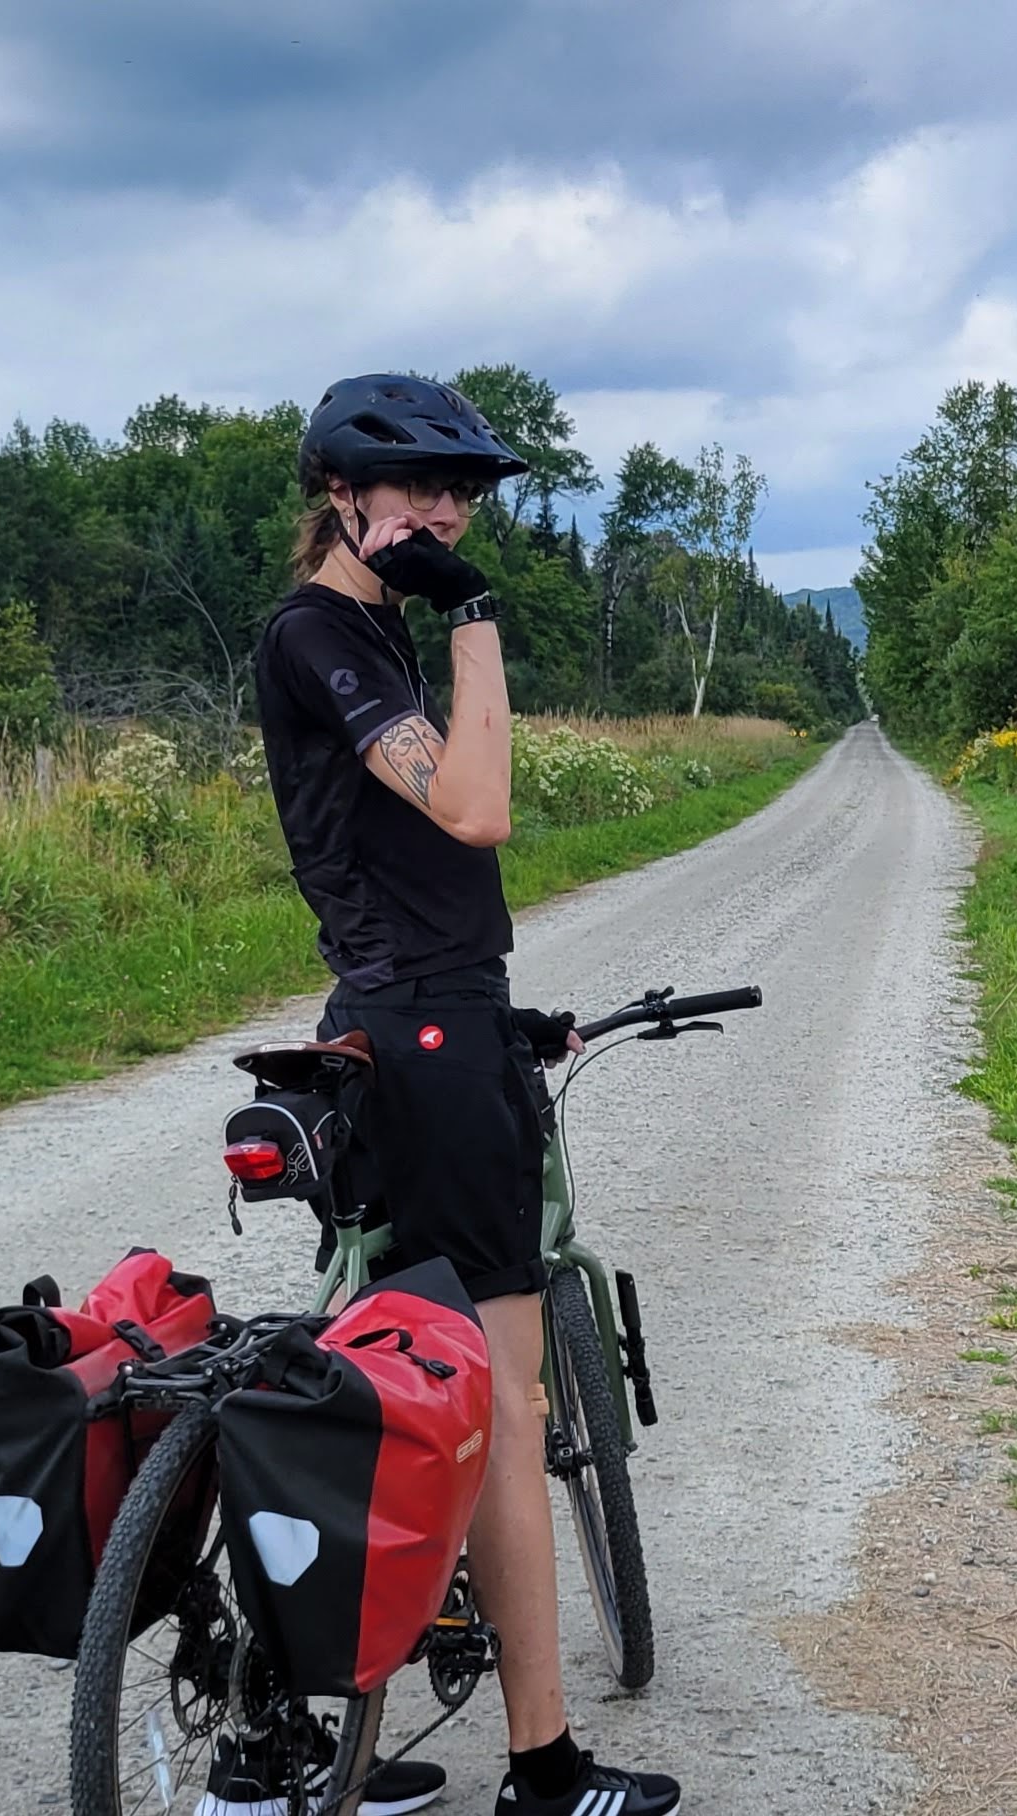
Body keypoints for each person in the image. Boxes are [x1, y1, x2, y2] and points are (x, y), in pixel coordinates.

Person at [245, 374, 679, 1816]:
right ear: (341, 494)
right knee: (499, 1392)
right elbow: (477, 810)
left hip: (422, 1016)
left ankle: (341, 1713)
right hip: (422, 1027)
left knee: (402, 1368)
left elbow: (409, 844)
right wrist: (476, 612)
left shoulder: (364, 630)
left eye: (464, 493)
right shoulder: (322, 632)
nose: (446, 511)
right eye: (419, 488)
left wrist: (496, 1018)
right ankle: (544, 1768)